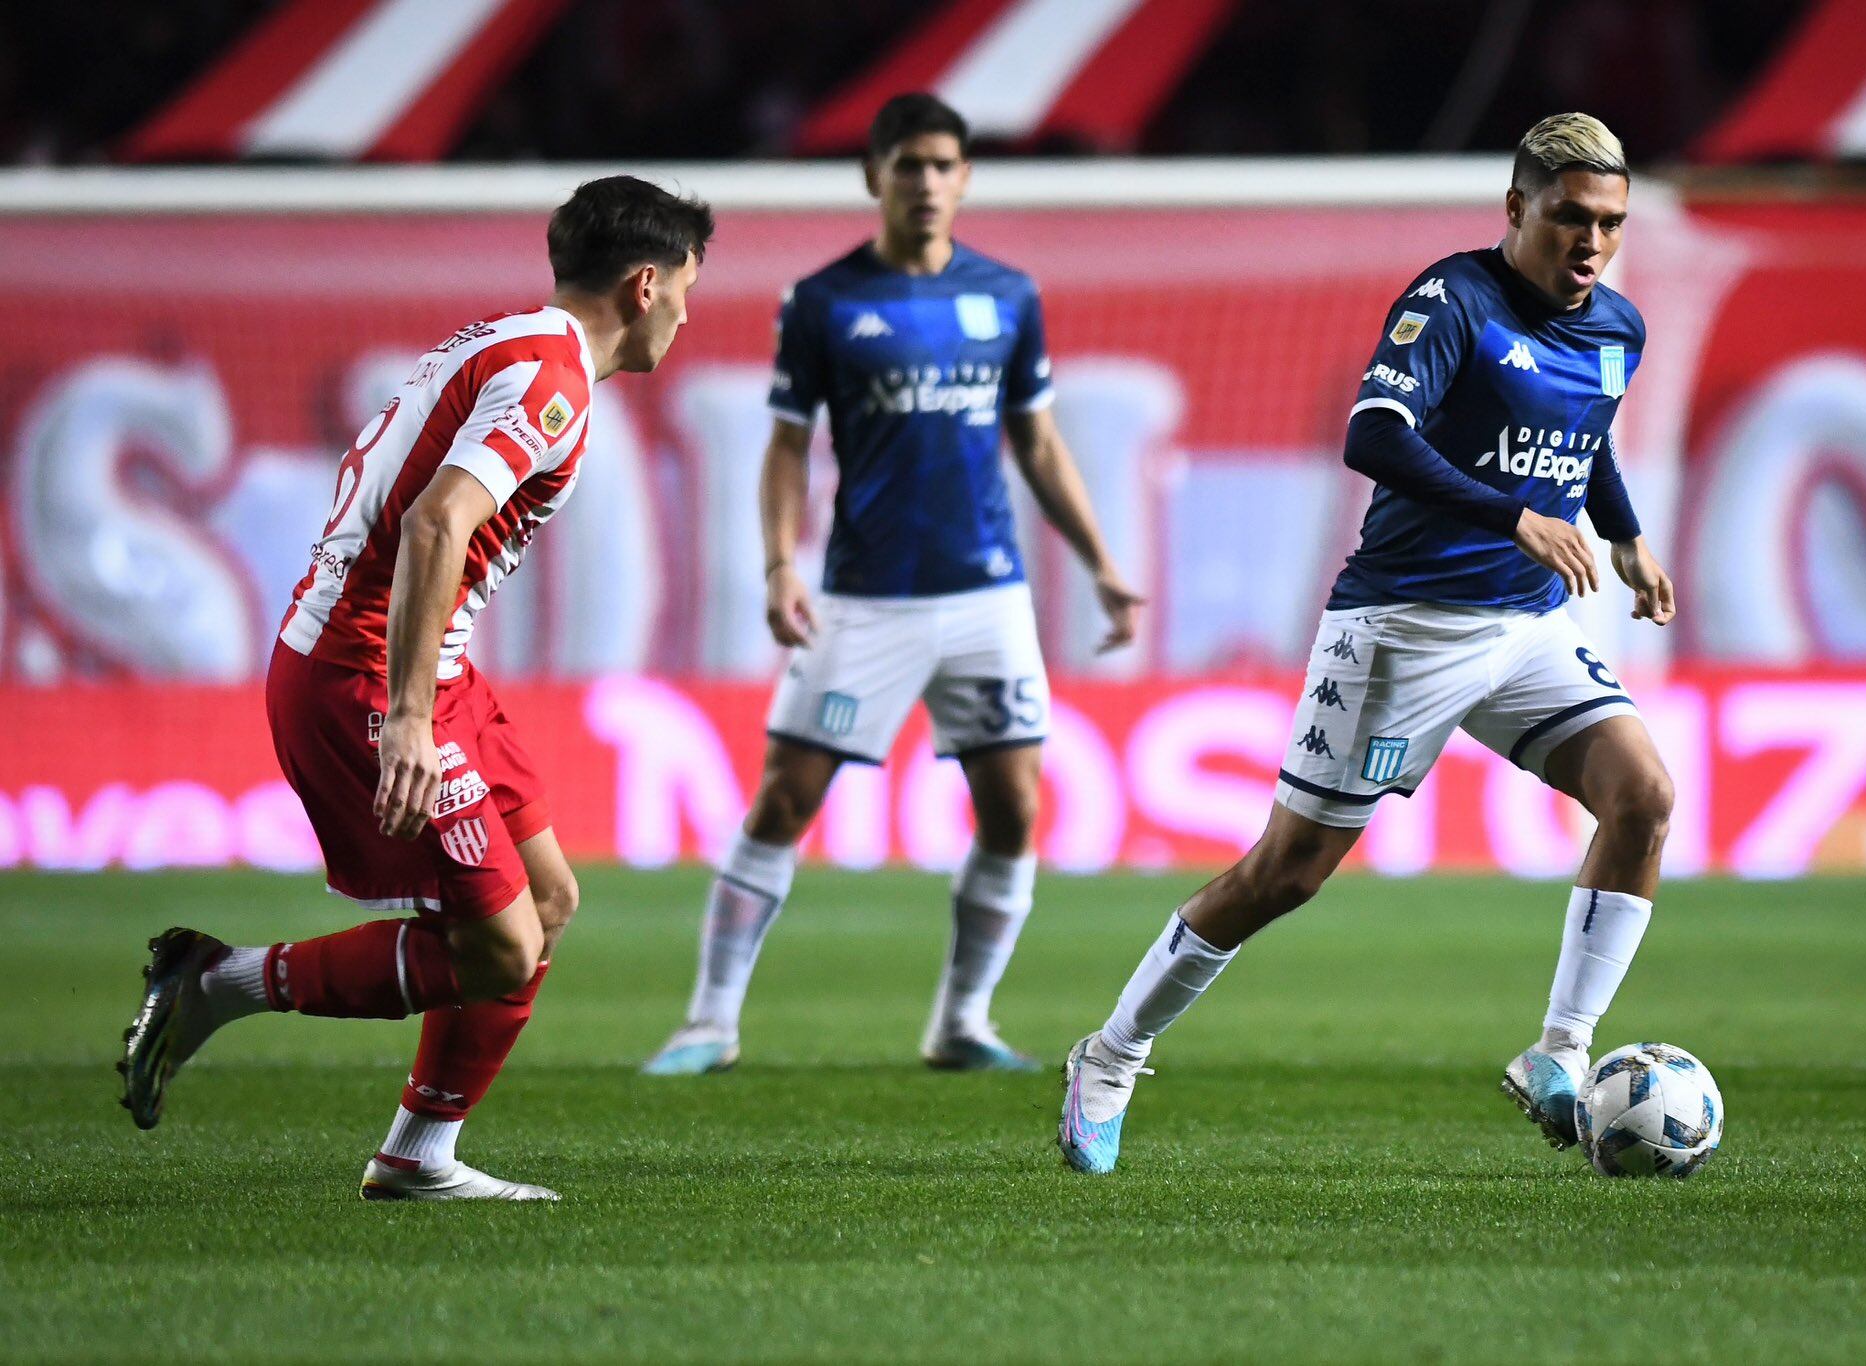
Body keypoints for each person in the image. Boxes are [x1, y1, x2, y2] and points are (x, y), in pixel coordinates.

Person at [1057, 113, 1679, 1174]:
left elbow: (1590, 432)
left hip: (1527, 625)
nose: (1589, 243)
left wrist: (1621, 535)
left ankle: (1557, 1053)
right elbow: (1371, 435)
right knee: (1283, 875)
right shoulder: (1452, 301)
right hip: (1402, 627)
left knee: (1643, 797)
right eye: (1569, 217)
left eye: (1609, 224)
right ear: (1515, 208)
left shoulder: (1615, 323)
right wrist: (1508, 514)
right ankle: (1111, 1054)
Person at [118, 176, 714, 1201]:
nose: (690, 314)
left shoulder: (507, 341)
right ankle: (214, 984)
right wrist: (402, 718)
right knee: (498, 947)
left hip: (432, 666)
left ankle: (417, 1153)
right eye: (688, 289)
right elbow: (438, 522)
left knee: (550, 901)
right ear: (646, 283)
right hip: (365, 673)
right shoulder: (549, 379)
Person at [643, 93, 1142, 1077]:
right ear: (874, 176)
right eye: (907, 164)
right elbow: (785, 447)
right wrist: (779, 562)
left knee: (1013, 808)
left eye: (942, 164)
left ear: (963, 178)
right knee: (785, 797)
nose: (924, 182)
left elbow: (1036, 444)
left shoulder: (1008, 296)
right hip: (864, 597)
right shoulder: (823, 302)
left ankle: (961, 1019)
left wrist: (1101, 564)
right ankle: (708, 1020)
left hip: (985, 596)